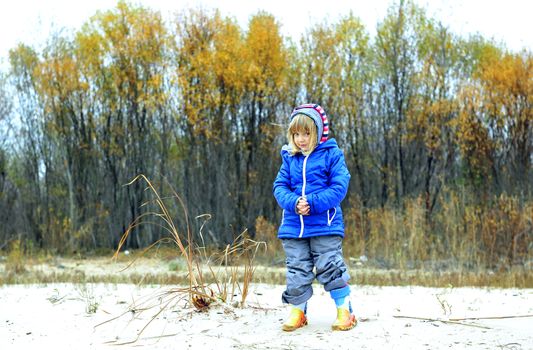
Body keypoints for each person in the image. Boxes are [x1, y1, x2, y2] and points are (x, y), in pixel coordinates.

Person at [273, 103, 357, 332]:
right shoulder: (290, 157)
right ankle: (298, 311)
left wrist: (313, 202)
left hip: (324, 225)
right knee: (297, 268)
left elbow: (339, 186)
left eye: (307, 133)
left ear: (319, 133)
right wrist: (293, 202)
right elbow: (279, 187)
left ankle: (344, 310)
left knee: (330, 265)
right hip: (294, 227)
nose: (301, 139)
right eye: (296, 133)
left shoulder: (331, 155)